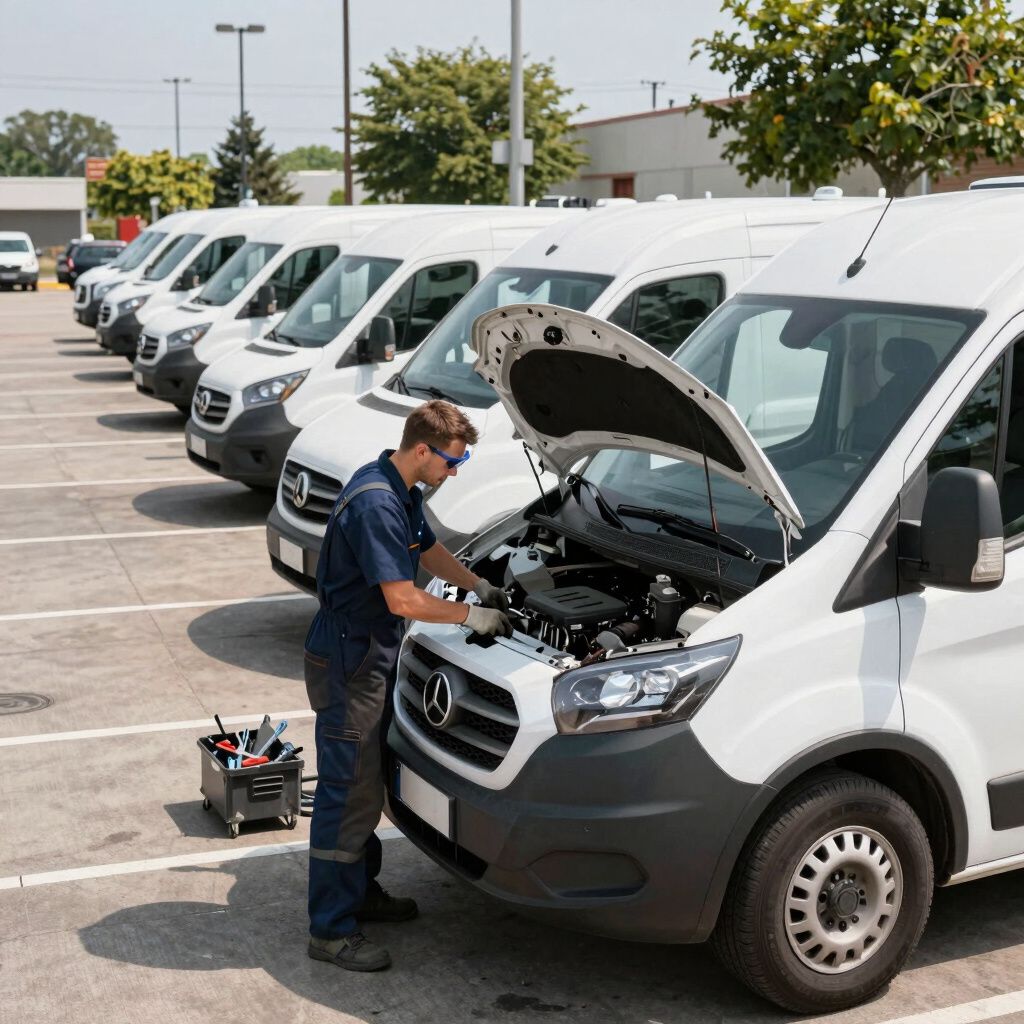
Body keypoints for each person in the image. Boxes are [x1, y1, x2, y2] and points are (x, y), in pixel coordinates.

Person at [305, 399, 513, 972]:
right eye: (452, 461)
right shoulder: (376, 503)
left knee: (367, 783)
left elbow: (428, 551)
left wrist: (478, 585)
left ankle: (360, 894)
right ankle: (330, 929)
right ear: (422, 450)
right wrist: (469, 617)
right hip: (350, 657)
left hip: (370, 650)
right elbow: (401, 597)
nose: (456, 471)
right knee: (347, 793)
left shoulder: (400, 489)